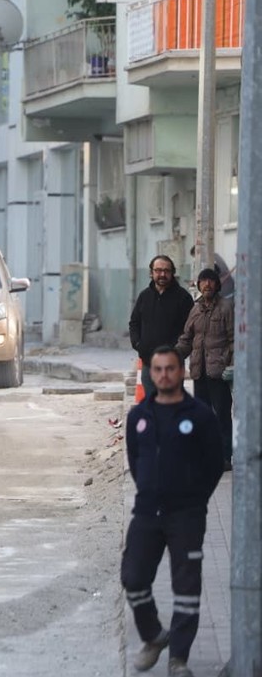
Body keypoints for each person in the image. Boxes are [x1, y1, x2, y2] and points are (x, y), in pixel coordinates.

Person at [122, 346, 224, 677]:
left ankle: (178, 659)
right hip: (146, 514)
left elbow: (213, 466)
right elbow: (136, 461)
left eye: (170, 369)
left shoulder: (200, 416)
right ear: (150, 373)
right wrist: (151, 491)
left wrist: (194, 501)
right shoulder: (138, 417)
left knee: (187, 590)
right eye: (158, 369)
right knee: (133, 578)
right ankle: (153, 636)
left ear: (181, 372)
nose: (164, 375)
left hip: (186, 517)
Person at [177, 268, 234, 471]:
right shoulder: (196, 309)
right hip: (199, 372)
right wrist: (173, 356)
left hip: (218, 373)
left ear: (216, 284)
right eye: (203, 281)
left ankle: (225, 457)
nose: (207, 284)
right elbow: (186, 338)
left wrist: (231, 365)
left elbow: (233, 339)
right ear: (199, 285)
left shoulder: (227, 307)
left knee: (221, 417)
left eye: (211, 281)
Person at [129, 255, 194, 398]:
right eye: (158, 270)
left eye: (166, 271)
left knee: (171, 406)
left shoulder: (183, 298)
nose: (162, 274)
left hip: (172, 365)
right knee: (152, 406)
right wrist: (138, 344)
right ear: (151, 273)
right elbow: (134, 323)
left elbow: (190, 330)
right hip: (148, 363)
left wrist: (178, 352)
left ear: (172, 273)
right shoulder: (144, 296)